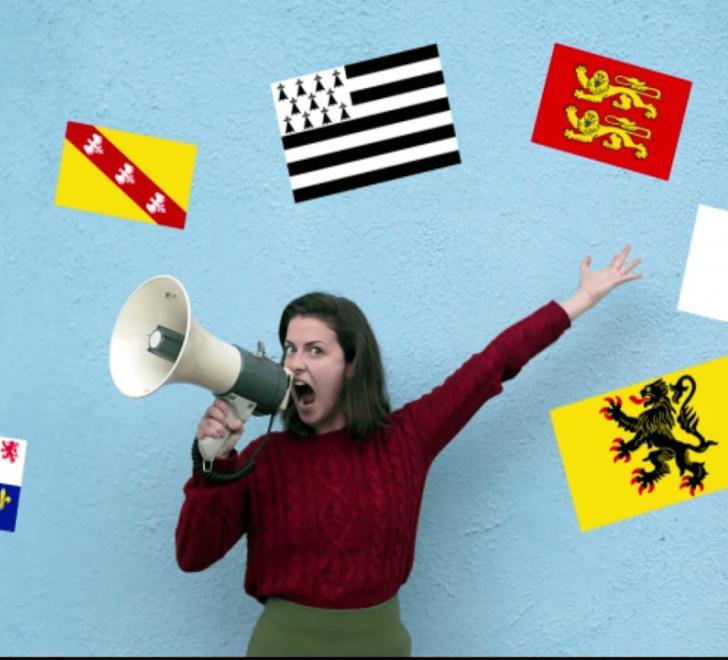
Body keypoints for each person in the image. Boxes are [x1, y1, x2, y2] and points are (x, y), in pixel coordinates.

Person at [175, 245, 642, 657]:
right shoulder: (264, 456)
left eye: (315, 350)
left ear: (352, 364)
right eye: (289, 349)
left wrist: (580, 300)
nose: (295, 363)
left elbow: (492, 365)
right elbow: (193, 556)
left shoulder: (406, 438)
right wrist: (213, 464)